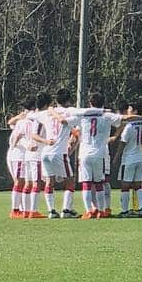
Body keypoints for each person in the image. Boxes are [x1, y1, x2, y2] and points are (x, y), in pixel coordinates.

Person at [38, 89, 79, 218]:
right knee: (71, 181)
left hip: (45, 152)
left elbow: (32, 116)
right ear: (68, 101)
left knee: (49, 181)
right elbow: (77, 132)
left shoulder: (47, 113)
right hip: (59, 152)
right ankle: (66, 210)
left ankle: (51, 211)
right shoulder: (70, 113)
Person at [114, 102, 142, 217]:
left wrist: (116, 157)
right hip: (140, 158)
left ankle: (124, 211)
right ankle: (141, 209)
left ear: (135, 111)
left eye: (130, 109)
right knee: (138, 185)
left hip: (128, 159)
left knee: (125, 186)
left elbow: (122, 143)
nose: (128, 111)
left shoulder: (130, 125)